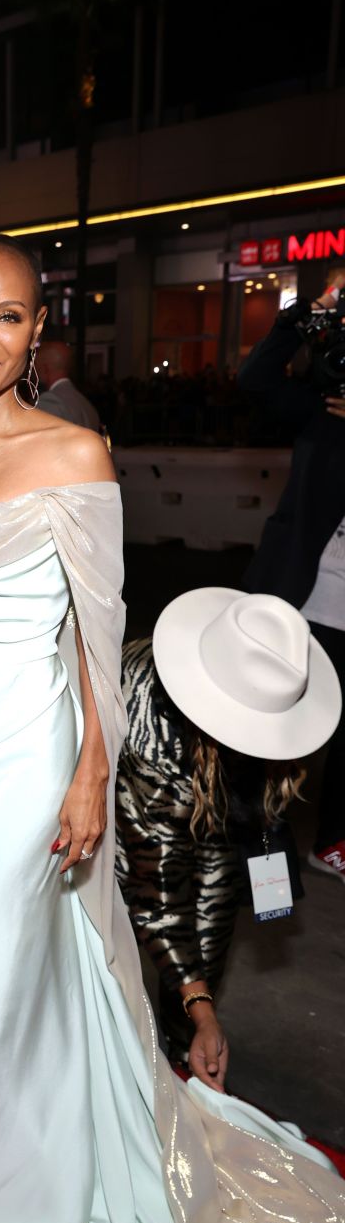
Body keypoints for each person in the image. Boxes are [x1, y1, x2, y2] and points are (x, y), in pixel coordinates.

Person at [0, 233, 345, 1223]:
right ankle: (16, 1132)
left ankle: (8, 1182)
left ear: (38, 332)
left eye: (9, 317)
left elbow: (96, 635)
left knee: (2, 955)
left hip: (25, 752)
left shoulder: (75, 454)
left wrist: (92, 769)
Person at [116, 603, 340, 1088]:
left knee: (213, 924)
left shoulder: (260, 662)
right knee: (120, 945)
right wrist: (203, 1011)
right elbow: (159, 898)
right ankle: (132, 1052)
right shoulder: (152, 736)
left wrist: (202, 1015)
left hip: (214, 791)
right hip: (139, 802)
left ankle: (188, 1052)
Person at [240, 271, 345, 879]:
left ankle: (333, 842)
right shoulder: (322, 406)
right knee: (271, 743)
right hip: (298, 604)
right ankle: (266, 874)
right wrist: (309, 312)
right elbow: (255, 381)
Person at [35, 339, 101, 431]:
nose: (34, 372)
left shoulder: (51, 401)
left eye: (35, 367)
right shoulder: (86, 404)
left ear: (45, 368)